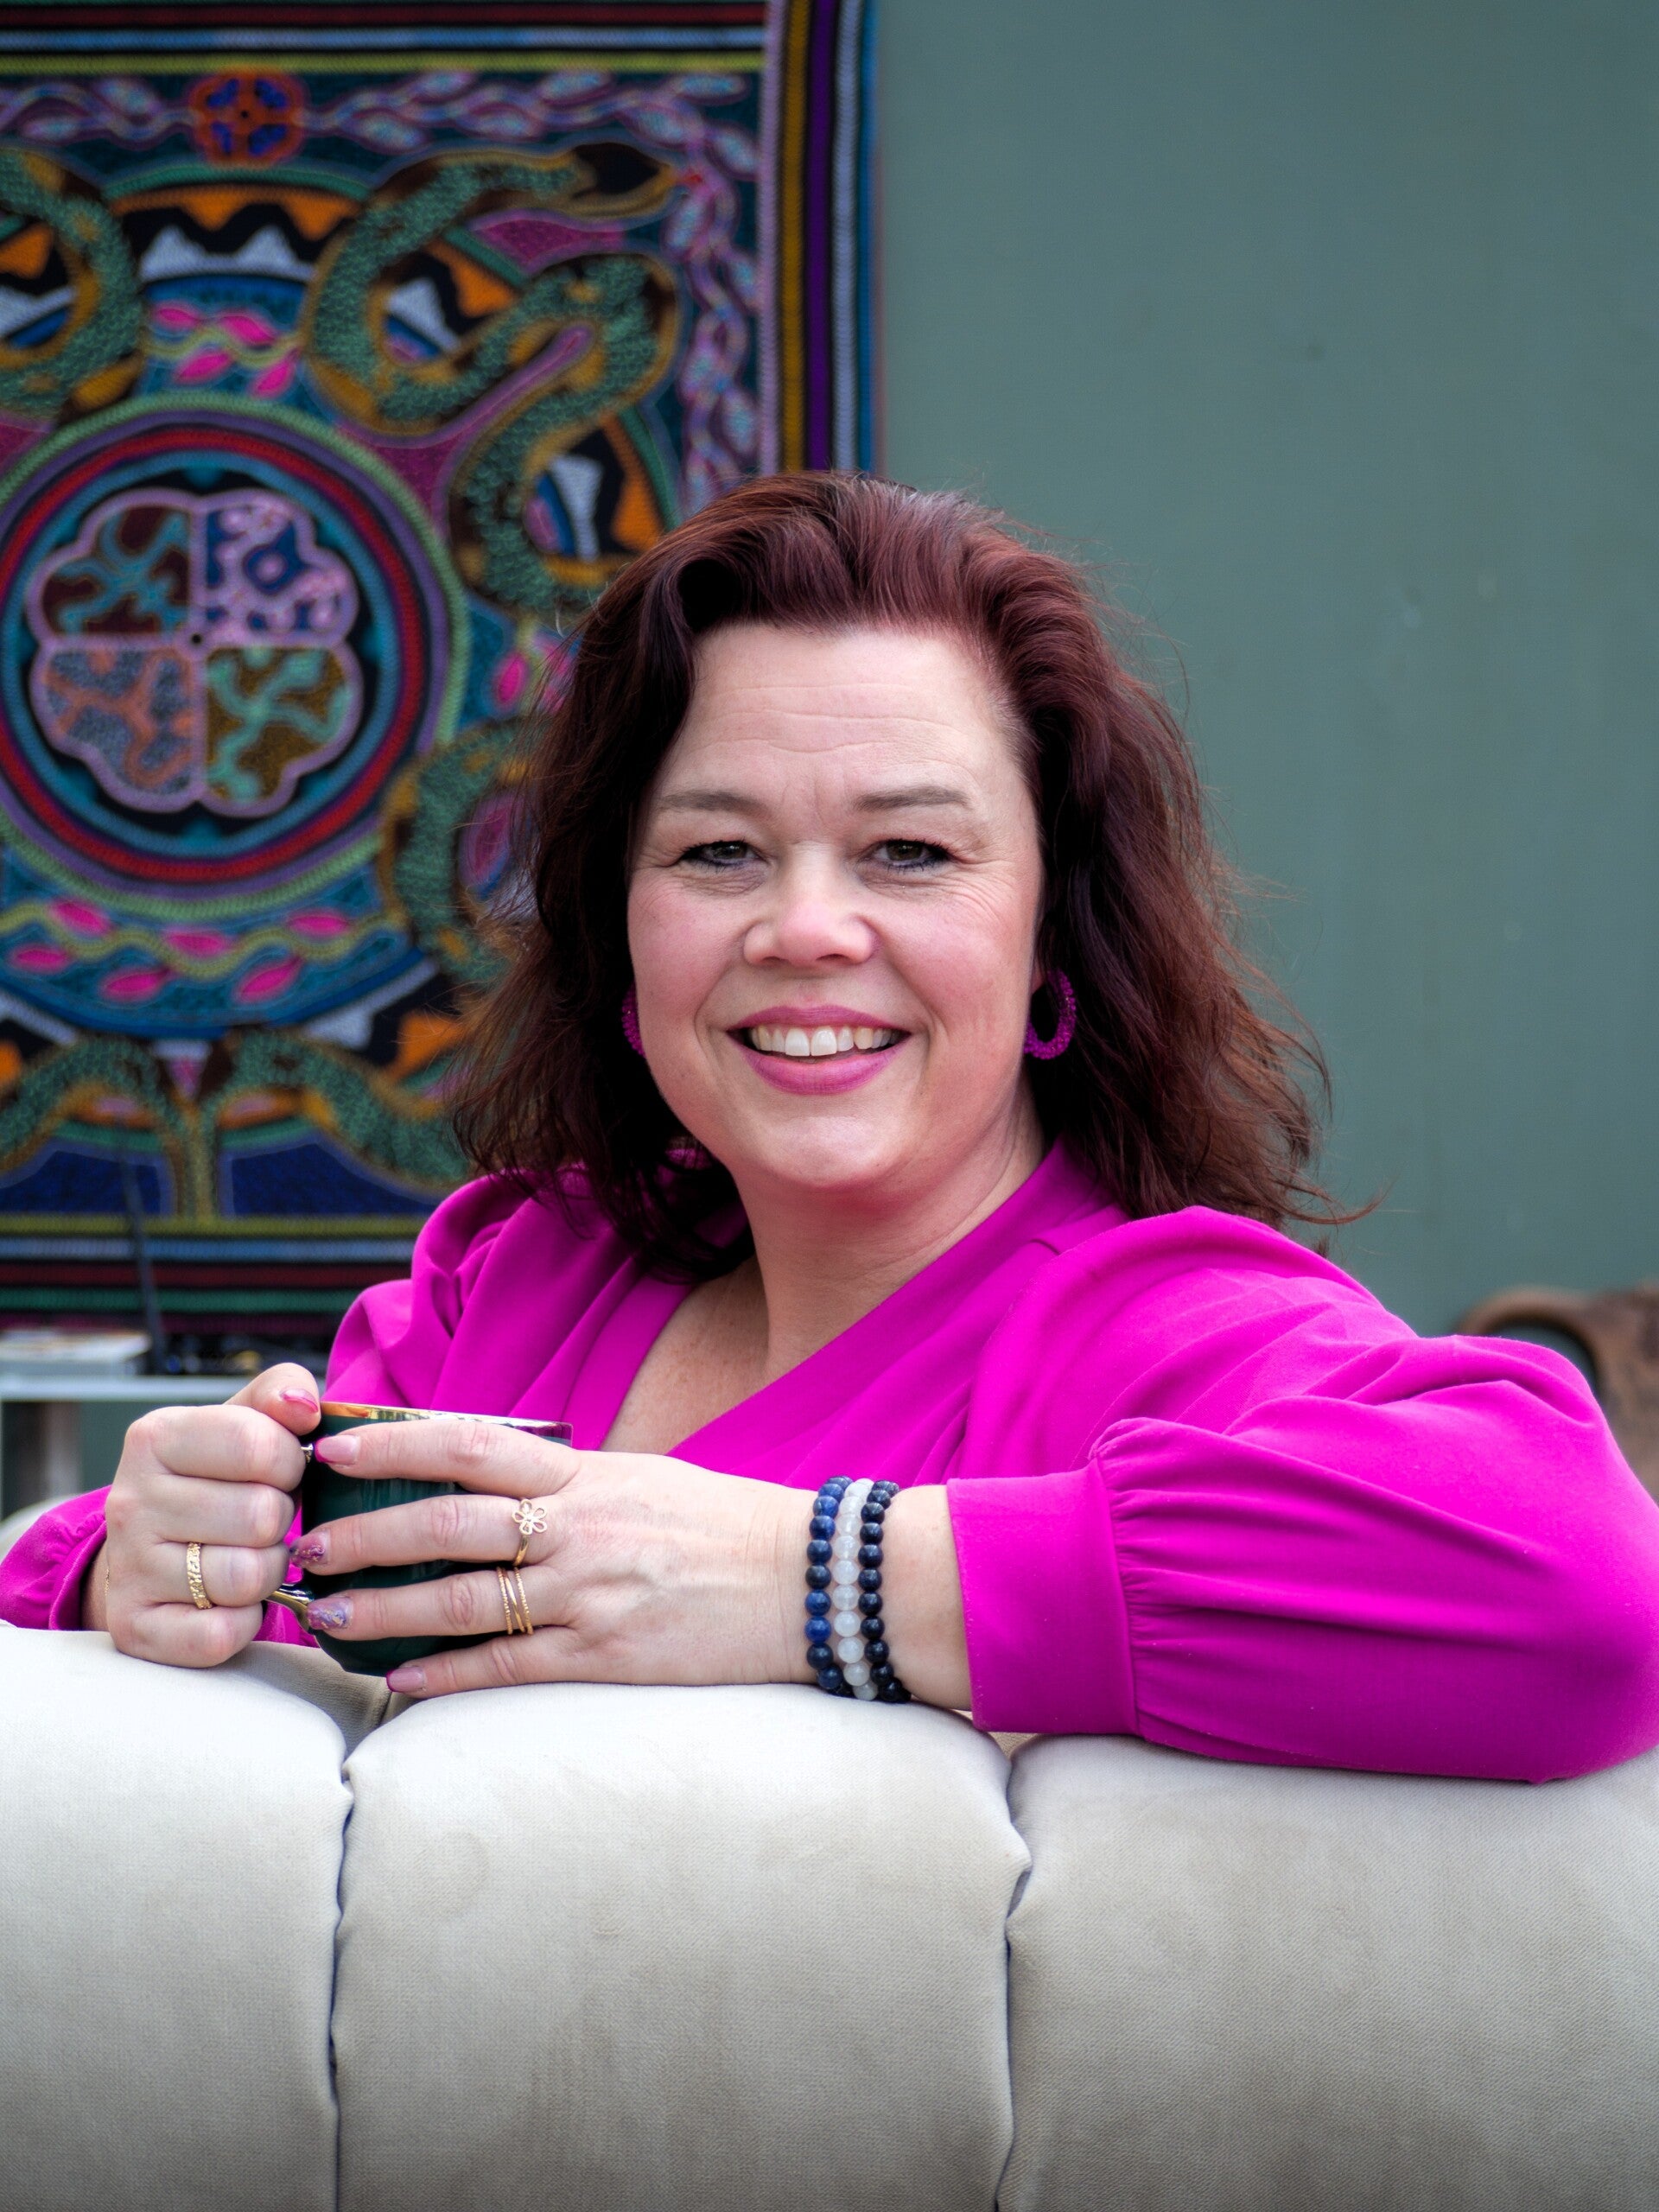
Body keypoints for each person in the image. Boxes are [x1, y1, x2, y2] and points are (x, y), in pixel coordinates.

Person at [5, 472, 1658, 1780]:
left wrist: (818, 1579)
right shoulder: (521, 1281)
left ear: (1052, 942)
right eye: (718, 852)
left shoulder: (1153, 1329)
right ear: (622, 943)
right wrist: (138, 1553)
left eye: (910, 854)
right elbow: (76, 1570)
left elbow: (1583, 1586)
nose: (804, 930)